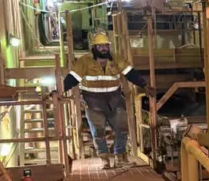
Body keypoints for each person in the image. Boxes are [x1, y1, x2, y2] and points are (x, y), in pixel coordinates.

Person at [64, 33, 150, 169]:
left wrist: (144, 85)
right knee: (98, 132)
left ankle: (120, 156)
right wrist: (59, 90)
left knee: (122, 129)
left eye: (106, 45)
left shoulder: (116, 59)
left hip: (114, 100)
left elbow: (130, 73)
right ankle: (104, 158)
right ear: (94, 47)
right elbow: (72, 79)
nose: (104, 48)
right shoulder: (84, 62)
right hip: (94, 103)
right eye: (100, 46)